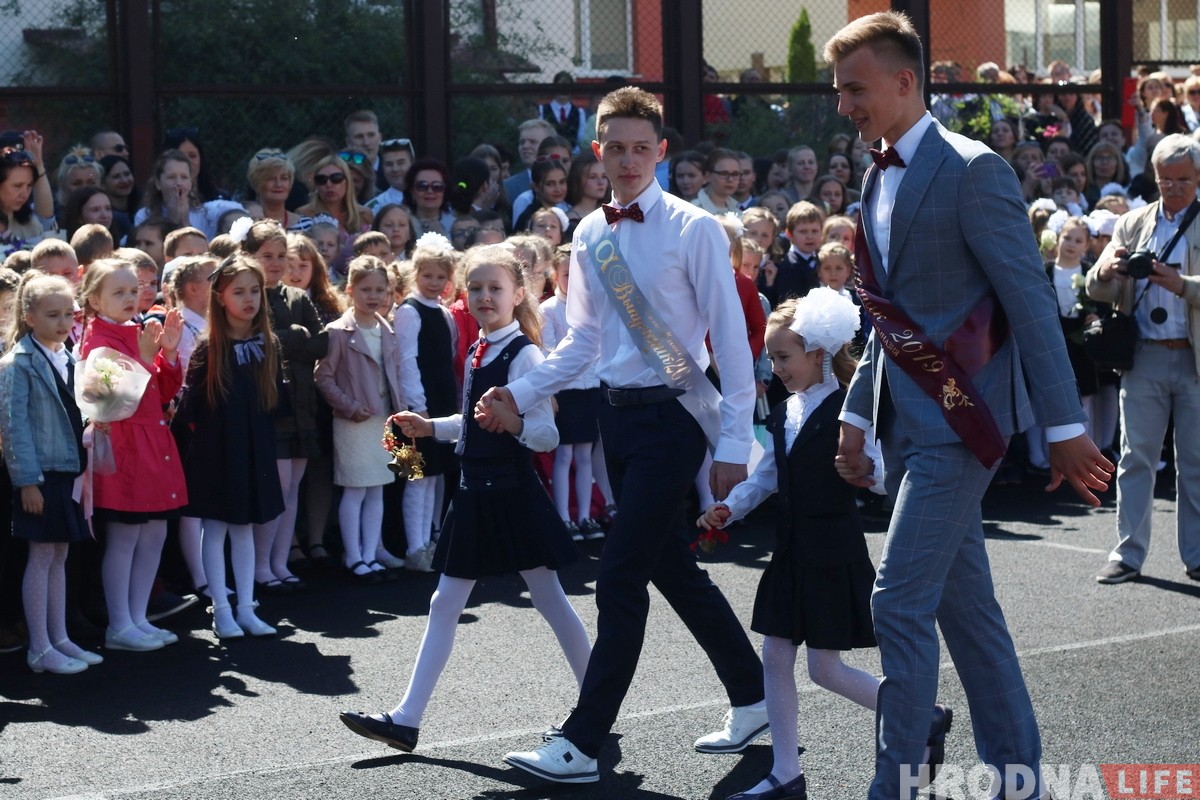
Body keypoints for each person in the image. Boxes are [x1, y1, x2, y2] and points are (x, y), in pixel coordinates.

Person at [824, 13, 1111, 800]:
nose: (844, 104)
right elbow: (888, 315)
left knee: (897, 600)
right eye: (839, 91)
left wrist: (1064, 426)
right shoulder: (877, 172)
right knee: (968, 616)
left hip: (963, 427)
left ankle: (899, 784)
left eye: (855, 89)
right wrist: (855, 415)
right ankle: (1022, 780)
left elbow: (1027, 303)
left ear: (905, 81)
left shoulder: (974, 169)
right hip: (907, 423)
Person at [490, 86, 766, 785]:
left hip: (676, 418)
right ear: (597, 152)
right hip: (617, 416)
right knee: (671, 565)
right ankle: (755, 693)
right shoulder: (589, 233)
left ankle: (584, 741)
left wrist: (734, 443)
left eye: (642, 147)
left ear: (662, 152)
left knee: (619, 573)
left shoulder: (694, 228)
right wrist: (521, 391)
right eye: (616, 146)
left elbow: (730, 342)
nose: (629, 158)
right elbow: (581, 341)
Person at [338, 243, 591, 754]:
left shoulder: (525, 354)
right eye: (474, 287)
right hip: (476, 489)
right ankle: (406, 720)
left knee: (550, 599)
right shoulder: (480, 348)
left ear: (519, 294)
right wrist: (430, 427)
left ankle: (596, 703)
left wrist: (514, 421)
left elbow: (544, 434)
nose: (483, 296)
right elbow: (473, 425)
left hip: (512, 492)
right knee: (447, 601)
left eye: (495, 288)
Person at [698, 290, 933, 800]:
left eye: (783, 356)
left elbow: (882, 474)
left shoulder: (848, 409)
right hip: (790, 549)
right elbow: (766, 476)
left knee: (823, 669)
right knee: (777, 655)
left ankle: (921, 715)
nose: (775, 366)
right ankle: (786, 773)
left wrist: (866, 473)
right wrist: (729, 507)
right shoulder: (785, 412)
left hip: (831, 549)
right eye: (771, 356)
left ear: (818, 353)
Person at [1085, 133, 1200, 585]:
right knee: (1136, 459)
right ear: (1154, 177)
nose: (1173, 188)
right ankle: (1127, 555)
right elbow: (1099, 290)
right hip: (1145, 356)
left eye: (1183, 180)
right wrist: (1106, 270)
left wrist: (1182, 285)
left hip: (1193, 359)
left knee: (1195, 463)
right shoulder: (1132, 223)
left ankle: (1196, 556)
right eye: (1165, 180)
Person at [78, 258, 189, 652]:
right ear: (93, 298)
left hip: (153, 443)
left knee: (154, 533)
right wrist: (145, 358)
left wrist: (169, 355)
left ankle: (139, 617)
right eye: (119, 292)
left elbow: (159, 393)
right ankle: (119, 624)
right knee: (125, 537)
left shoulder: (138, 329)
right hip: (125, 448)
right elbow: (104, 402)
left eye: (134, 289)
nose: (131, 297)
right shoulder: (96, 338)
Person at [172, 254, 283, 638]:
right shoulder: (209, 348)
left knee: (245, 528)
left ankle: (247, 607)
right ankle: (221, 607)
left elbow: (274, 401)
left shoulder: (266, 343)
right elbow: (191, 405)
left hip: (252, 449)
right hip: (217, 452)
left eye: (255, 291)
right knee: (217, 526)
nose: (249, 299)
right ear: (220, 297)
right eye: (239, 292)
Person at [0, 274, 99, 674]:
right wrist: (27, 480)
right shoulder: (18, 362)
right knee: (41, 557)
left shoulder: (67, 355)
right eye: (52, 315)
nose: (62, 322)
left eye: (68, 314)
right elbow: (13, 425)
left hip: (67, 470)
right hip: (41, 476)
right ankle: (39, 647)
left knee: (59, 554)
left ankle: (59, 639)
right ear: (28, 317)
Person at [240, 220, 327, 592]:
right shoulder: (248, 296)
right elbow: (259, 343)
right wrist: (293, 337)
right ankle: (260, 566)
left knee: (293, 489)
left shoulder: (297, 297)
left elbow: (322, 344)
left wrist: (289, 341)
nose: (275, 264)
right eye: (267, 256)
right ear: (249, 256)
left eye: (281, 256)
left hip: (302, 404)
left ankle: (278, 562)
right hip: (270, 405)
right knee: (275, 487)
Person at [314, 256, 406, 583]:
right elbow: (324, 378)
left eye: (380, 290)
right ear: (350, 290)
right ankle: (353, 556)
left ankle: (370, 554)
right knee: (355, 490)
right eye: (366, 289)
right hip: (353, 422)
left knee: (378, 489)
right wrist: (350, 406)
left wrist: (401, 410)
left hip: (382, 419)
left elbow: (394, 373)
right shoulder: (338, 332)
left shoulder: (387, 329)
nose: (373, 296)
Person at [393, 233, 459, 572]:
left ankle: (432, 539)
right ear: (414, 274)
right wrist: (416, 406)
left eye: (440, 276)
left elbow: (447, 358)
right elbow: (406, 360)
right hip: (417, 409)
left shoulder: (444, 313)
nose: (434, 283)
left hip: (443, 405)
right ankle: (414, 547)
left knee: (437, 475)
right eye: (427, 275)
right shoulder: (408, 311)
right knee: (416, 476)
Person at [540, 244, 604, 540]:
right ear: (555, 276)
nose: (573, 280)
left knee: (586, 456)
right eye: (567, 274)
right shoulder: (549, 309)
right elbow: (547, 350)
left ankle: (585, 517)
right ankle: (563, 517)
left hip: (590, 389)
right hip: (564, 391)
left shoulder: (593, 306)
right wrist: (551, 391)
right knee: (564, 456)